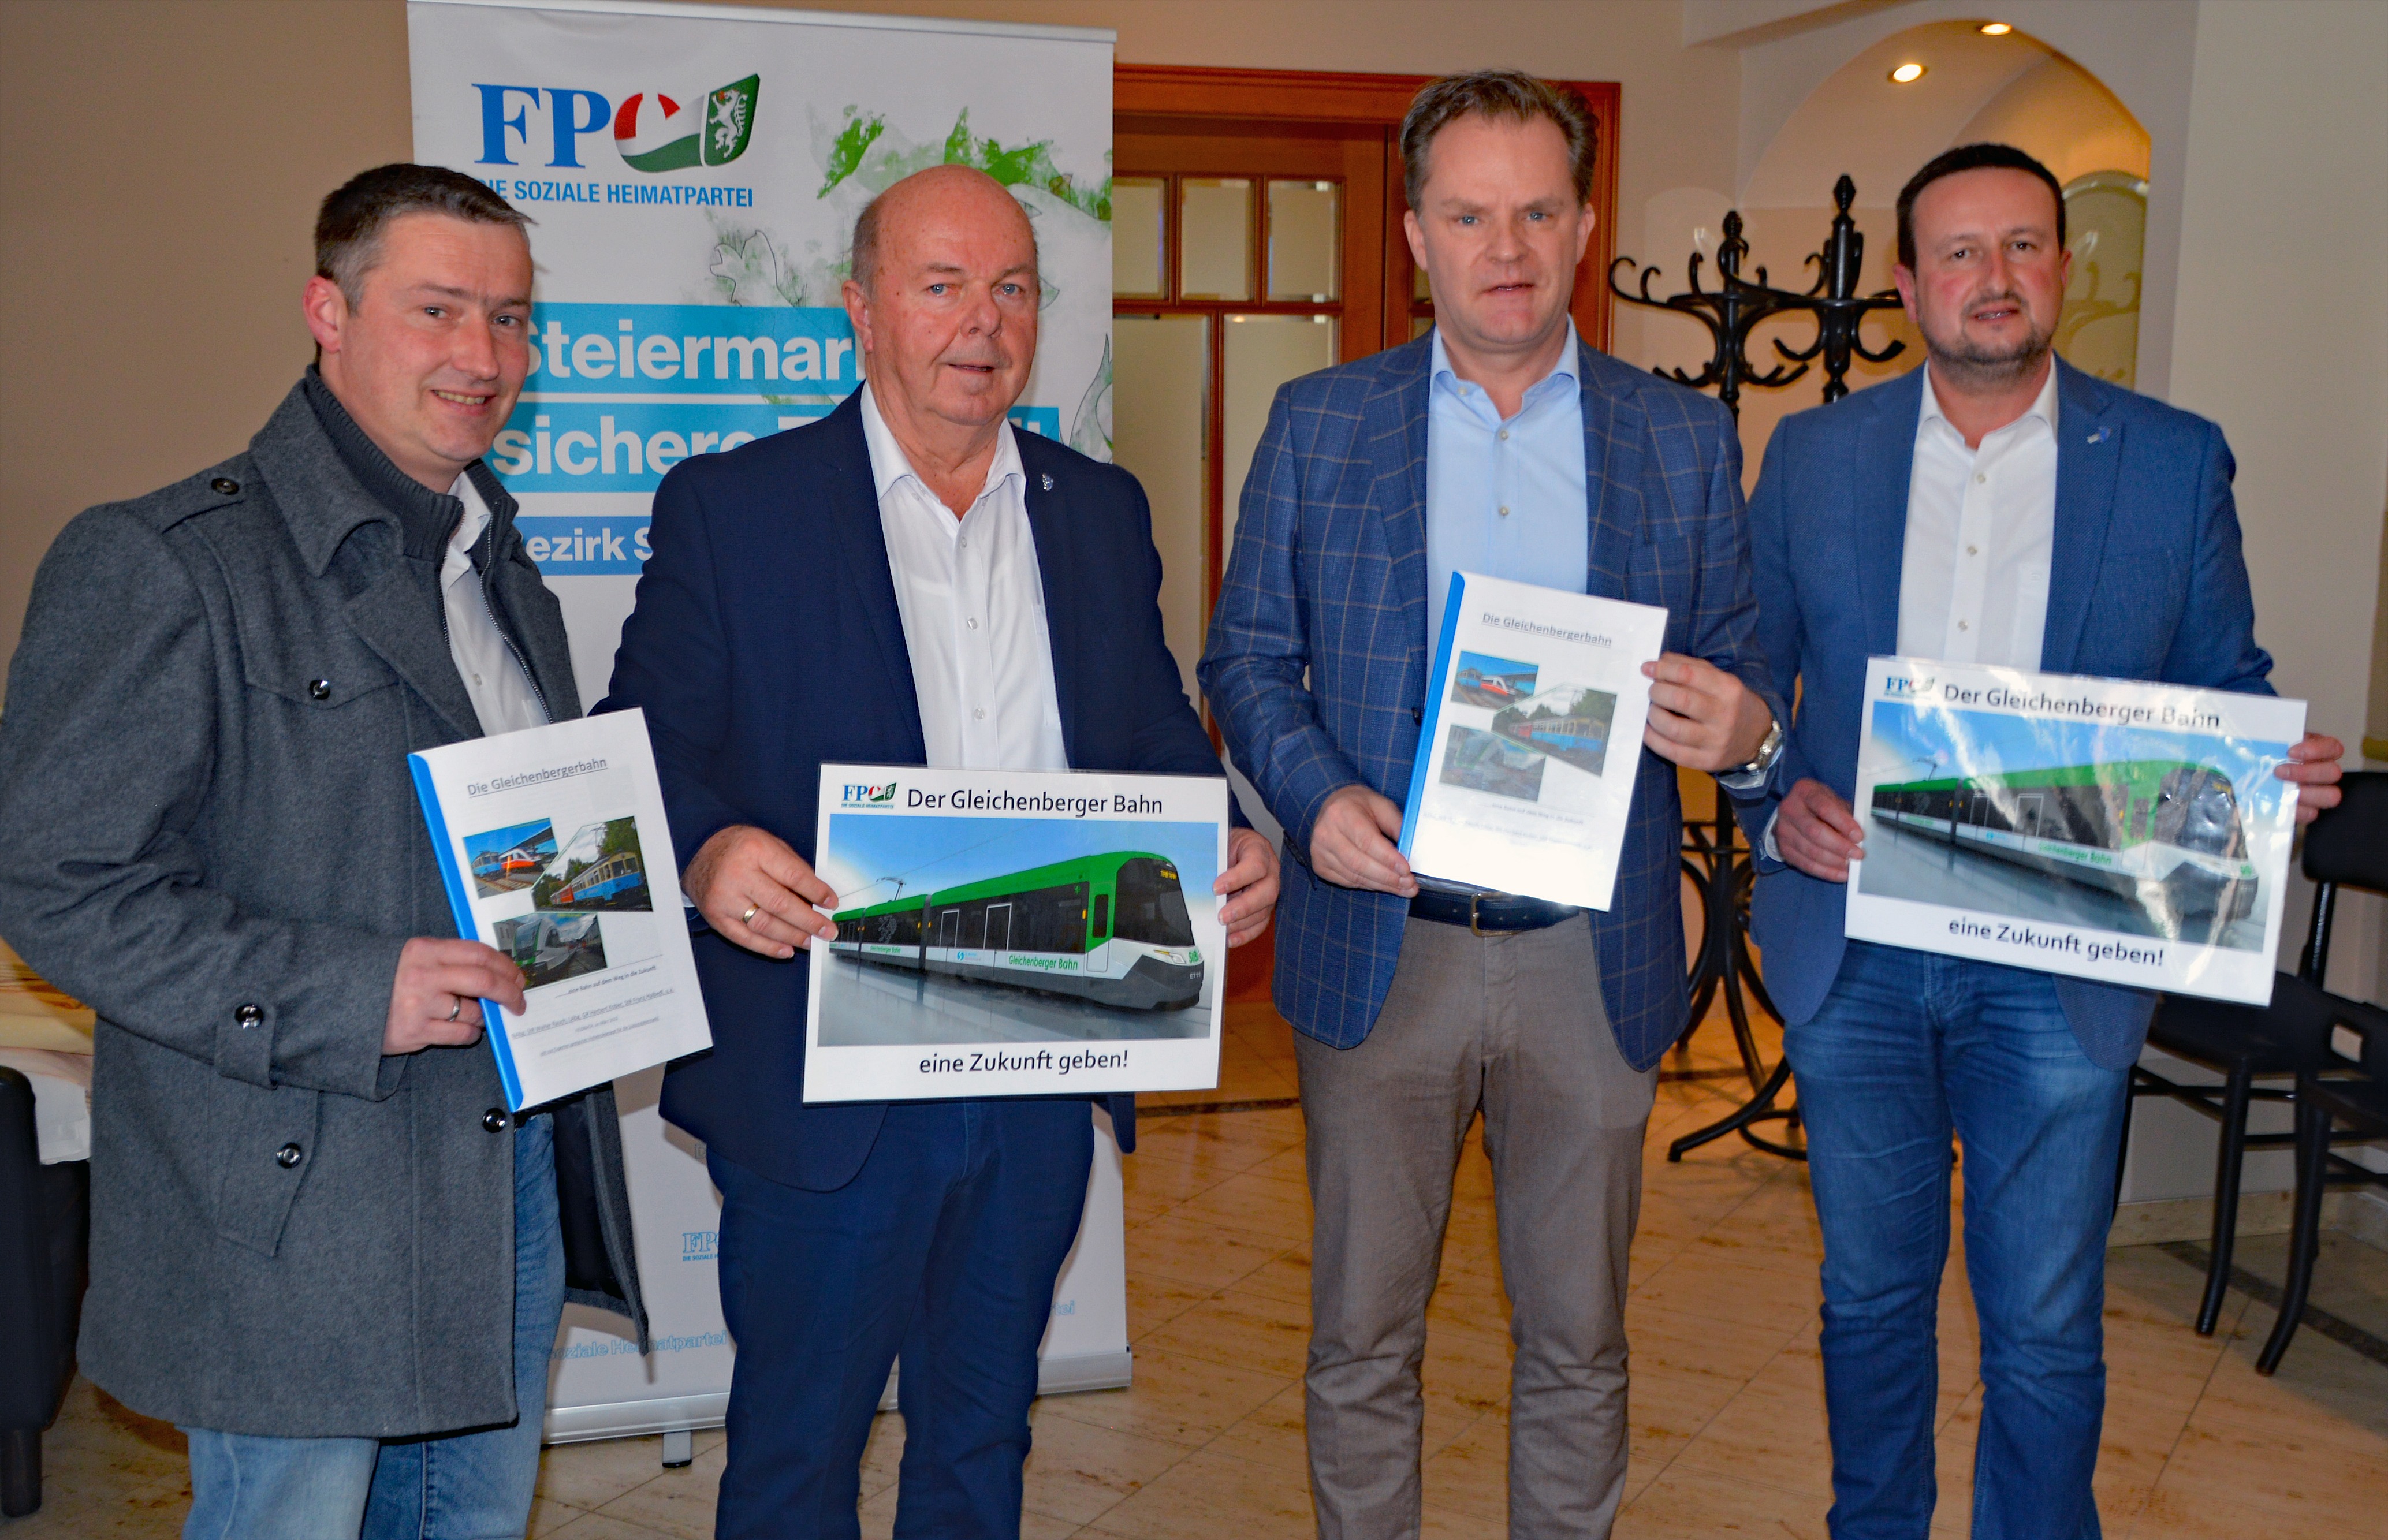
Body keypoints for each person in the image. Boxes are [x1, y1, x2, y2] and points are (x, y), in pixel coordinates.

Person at [599, 163, 1279, 1540]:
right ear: (860, 310)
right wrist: (708, 848)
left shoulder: (1096, 509)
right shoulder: (735, 508)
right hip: (824, 1083)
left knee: (981, 1441)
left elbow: (1148, 722)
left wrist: (1221, 826)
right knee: (796, 1457)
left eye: (1013, 286)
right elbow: (643, 741)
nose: (985, 320)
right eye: (942, 284)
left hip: (1038, 1060)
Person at [0, 163, 648, 1540]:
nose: (483, 355)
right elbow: (55, 880)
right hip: (300, 1200)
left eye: (512, 318)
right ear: (328, 312)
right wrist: (349, 991)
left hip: (502, 1166)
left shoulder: (499, 569)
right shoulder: (165, 559)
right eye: (437, 309)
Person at [1201, 70, 1785, 1539]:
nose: (1505, 246)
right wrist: (1314, 797)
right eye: (1468, 215)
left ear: (1584, 225)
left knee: (1580, 1344)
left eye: (1536, 210)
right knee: (1360, 1341)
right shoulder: (1321, 422)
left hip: (1591, 957)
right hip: (1380, 941)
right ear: (1416, 235)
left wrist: (1747, 724)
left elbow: (1744, 660)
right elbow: (1245, 657)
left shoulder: (1680, 436)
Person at [1741, 142, 2344, 1539]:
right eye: (1958, 251)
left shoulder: (2172, 460)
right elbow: (1749, 674)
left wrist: (2268, 771)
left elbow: (2222, 680)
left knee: (2045, 1328)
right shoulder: (1816, 456)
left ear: (2064, 267)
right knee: (1868, 1300)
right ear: (1906, 287)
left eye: (2021, 244)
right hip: (1856, 944)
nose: (1993, 276)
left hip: (2062, 957)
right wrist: (1771, 793)